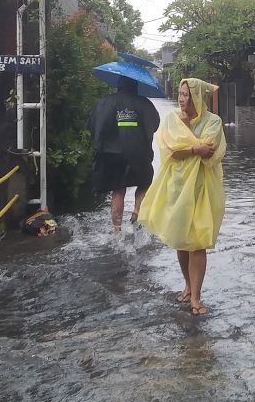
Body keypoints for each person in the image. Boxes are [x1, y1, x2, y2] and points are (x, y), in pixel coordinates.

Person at [137, 78, 227, 315]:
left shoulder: (213, 122)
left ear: (197, 97)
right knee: (181, 239)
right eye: (180, 94)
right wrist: (192, 149)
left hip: (203, 187)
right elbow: (169, 151)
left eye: (187, 95)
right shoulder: (171, 119)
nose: (182, 98)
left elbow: (210, 151)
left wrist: (188, 144)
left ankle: (196, 296)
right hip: (178, 185)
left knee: (197, 241)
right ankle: (187, 284)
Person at [88, 75, 161, 231]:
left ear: (118, 85)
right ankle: (137, 213)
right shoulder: (144, 103)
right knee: (143, 184)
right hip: (139, 153)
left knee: (118, 190)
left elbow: (93, 125)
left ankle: (116, 230)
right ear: (136, 86)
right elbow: (154, 125)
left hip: (112, 154)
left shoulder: (105, 102)